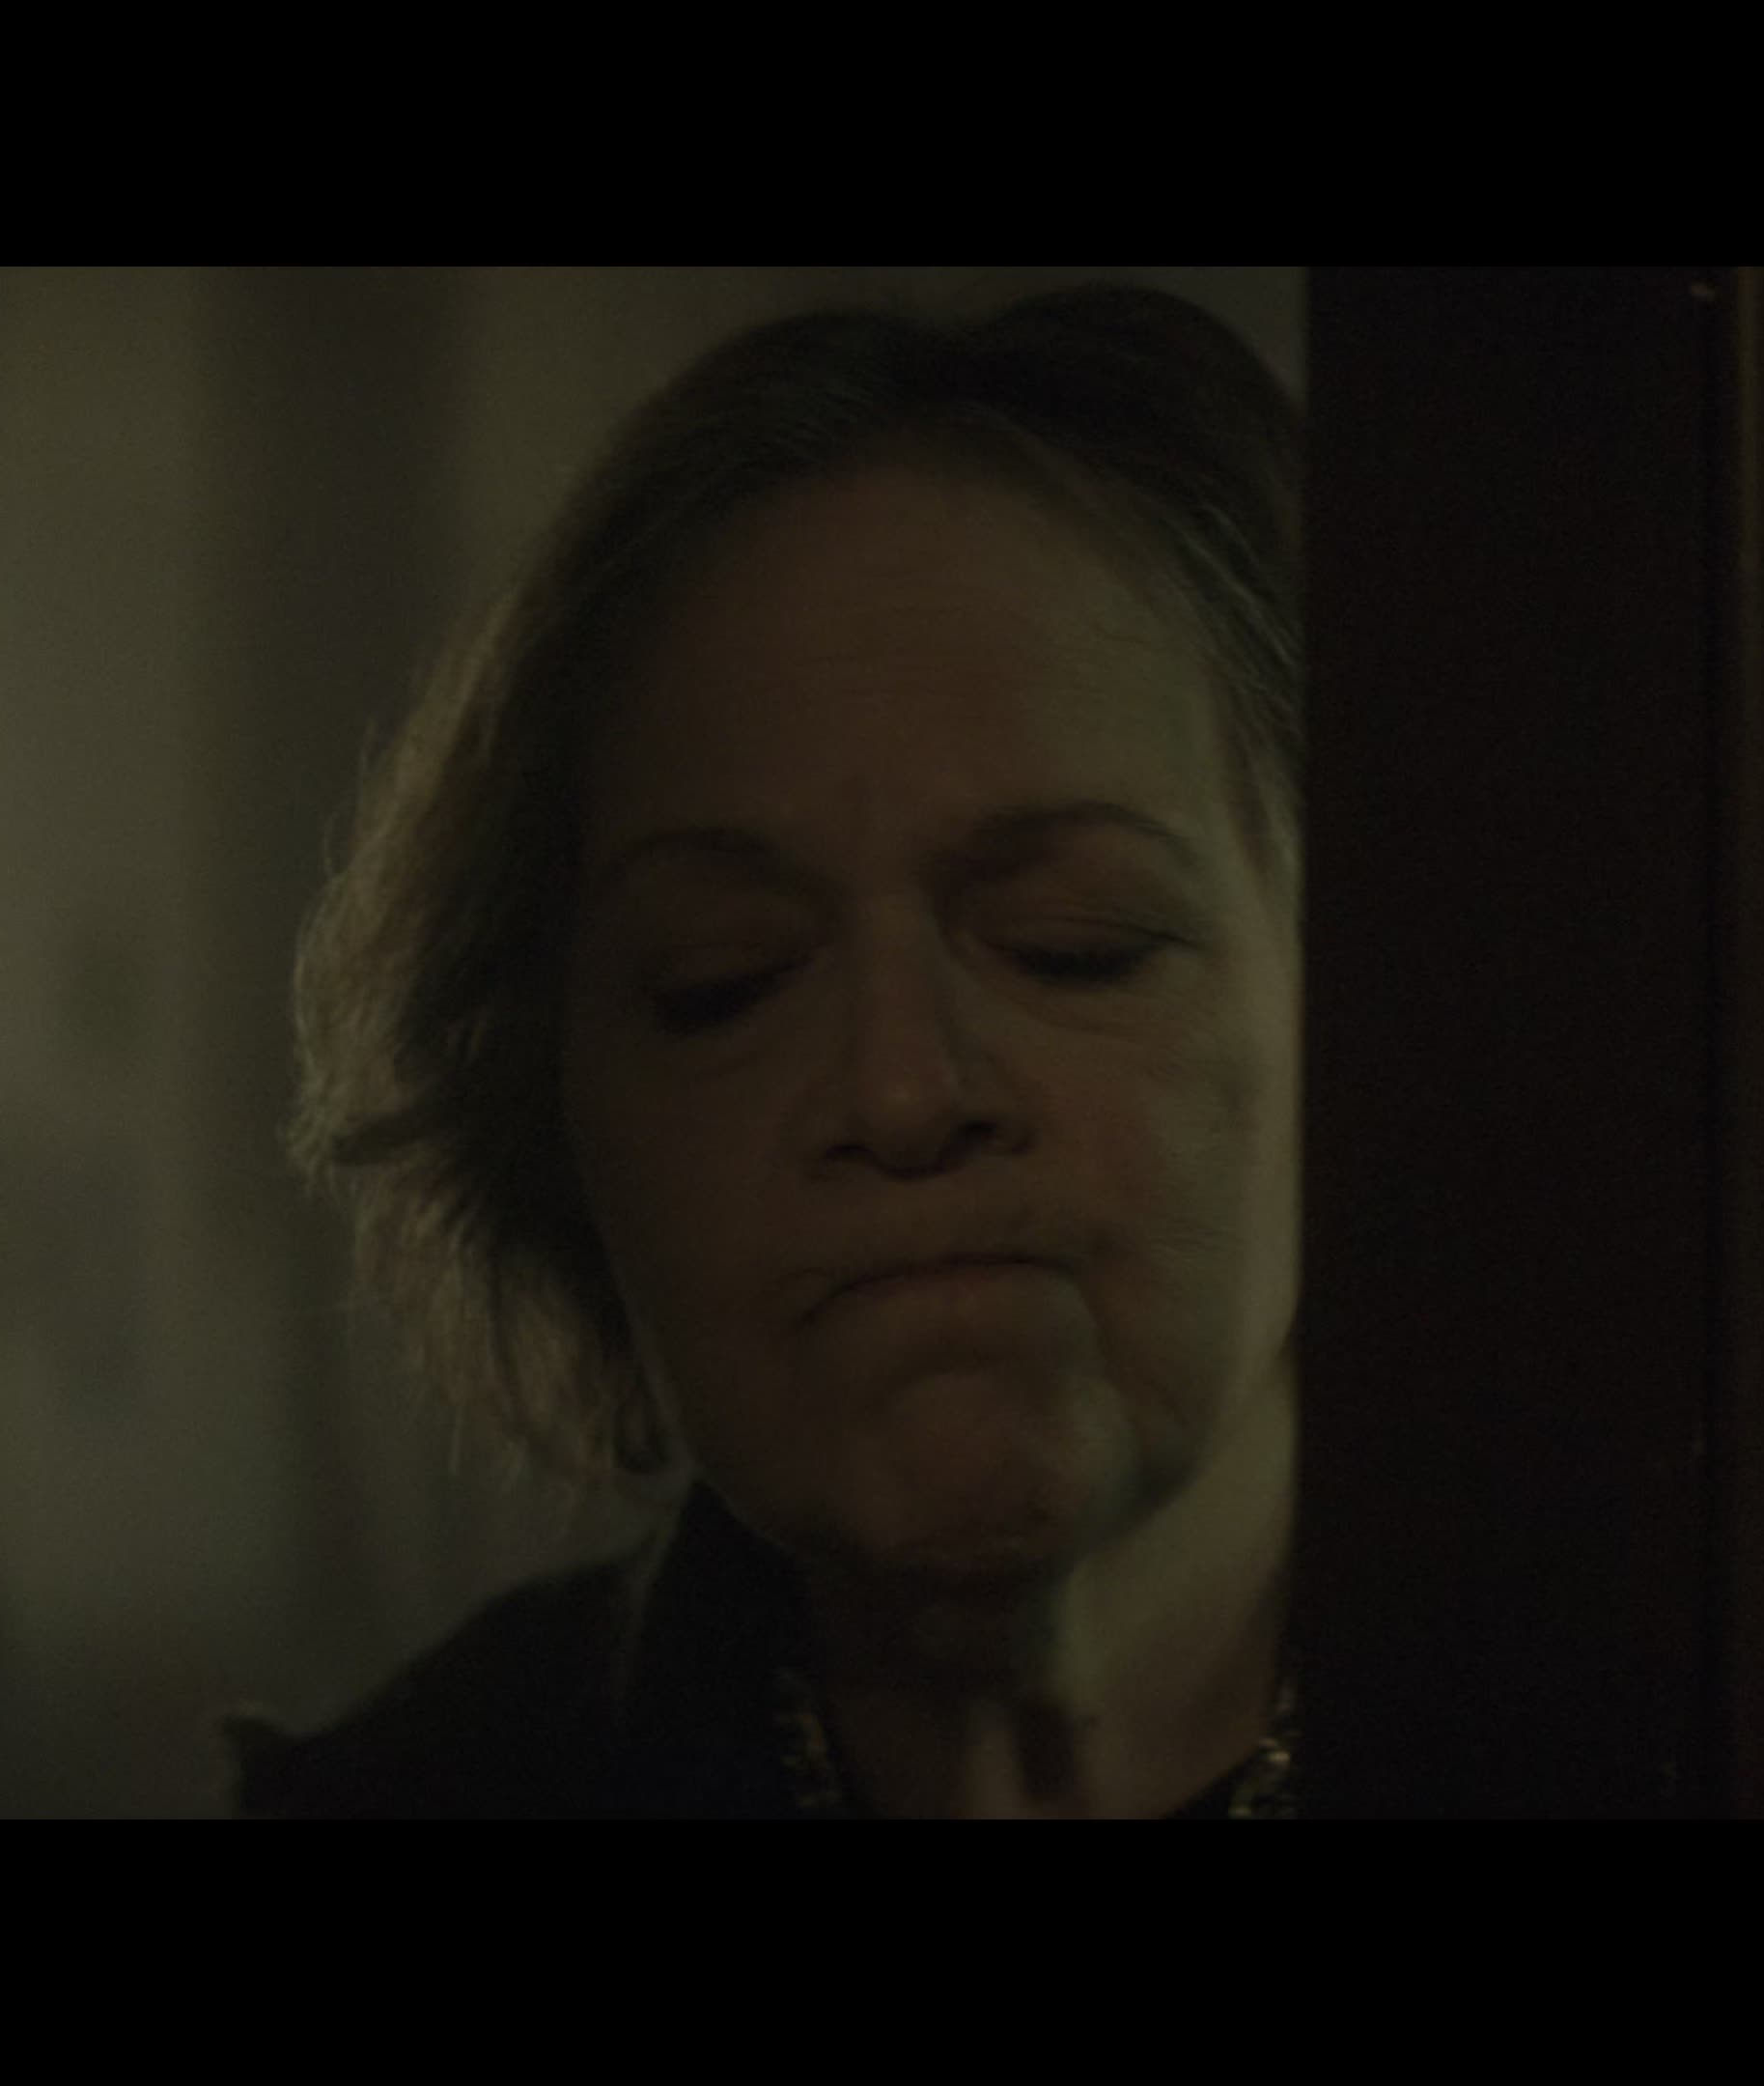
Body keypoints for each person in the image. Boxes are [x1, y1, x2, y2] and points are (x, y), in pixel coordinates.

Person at [239, 284, 1302, 1818]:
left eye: (1073, 942)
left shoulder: (1658, 1721)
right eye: (721, 983)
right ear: (556, 1121)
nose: (900, 1091)